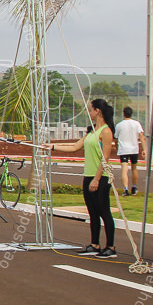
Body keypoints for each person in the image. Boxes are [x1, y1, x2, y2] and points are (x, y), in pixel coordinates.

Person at [52, 99, 118, 258]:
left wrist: (96, 179)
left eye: (91, 110)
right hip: (88, 175)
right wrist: (52, 147)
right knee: (92, 213)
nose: (90, 112)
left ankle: (111, 247)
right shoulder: (91, 131)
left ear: (98, 111)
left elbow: (106, 158)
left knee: (104, 212)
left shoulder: (106, 132)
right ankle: (94, 244)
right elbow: (75, 147)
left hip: (100, 177)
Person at [114, 106, 146, 196]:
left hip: (123, 149)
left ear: (123, 114)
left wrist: (117, 149)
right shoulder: (136, 124)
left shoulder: (119, 125)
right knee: (134, 168)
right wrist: (144, 149)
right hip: (134, 149)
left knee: (124, 169)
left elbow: (116, 138)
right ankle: (134, 187)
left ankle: (126, 189)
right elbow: (142, 137)